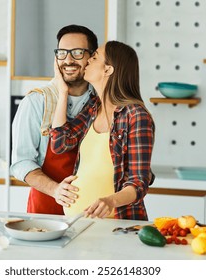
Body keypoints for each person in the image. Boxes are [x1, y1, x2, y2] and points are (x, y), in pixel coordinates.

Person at [50, 41, 155, 220]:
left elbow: (139, 182)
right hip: (76, 224)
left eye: (95, 57)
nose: (88, 60)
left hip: (117, 226)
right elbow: (60, 143)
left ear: (107, 70)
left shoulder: (136, 115)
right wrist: (63, 92)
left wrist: (110, 201)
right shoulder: (93, 108)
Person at [10, 24, 98, 215]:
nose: (68, 60)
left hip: (91, 209)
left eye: (77, 53)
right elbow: (21, 163)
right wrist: (55, 190)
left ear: (92, 57)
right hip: (45, 209)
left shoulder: (100, 102)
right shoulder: (36, 101)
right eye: (62, 53)